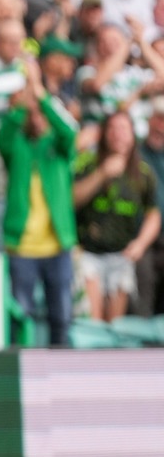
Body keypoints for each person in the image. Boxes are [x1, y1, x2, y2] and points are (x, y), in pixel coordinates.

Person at [0, 60, 78, 347]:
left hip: (57, 245)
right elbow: (3, 136)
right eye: (34, 114)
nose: (38, 118)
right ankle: (21, 371)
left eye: (42, 114)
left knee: (62, 316)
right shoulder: (17, 147)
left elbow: (69, 132)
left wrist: (42, 97)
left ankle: (62, 372)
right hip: (22, 247)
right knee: (20, 317)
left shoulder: (58, 148)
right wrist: (25, 102)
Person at [71, 112, 160, 322]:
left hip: (121, 254)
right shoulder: (88, 163)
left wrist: (140, 244)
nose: (118, 135)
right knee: (93, 325)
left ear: (132, 135)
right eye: (112, 129)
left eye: (123, 129)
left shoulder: (143, 173)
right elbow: (72, 199)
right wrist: (101, 174)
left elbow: (153, 214)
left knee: (115, 325)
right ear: (104, 134)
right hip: (88, 253)